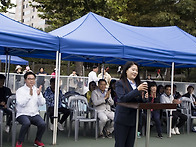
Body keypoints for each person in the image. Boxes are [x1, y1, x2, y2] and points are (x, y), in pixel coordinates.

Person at [114, 61, 148, 147]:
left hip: (134, 119)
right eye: (133, 69)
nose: (135, 72)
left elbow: (138, 101)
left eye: (136, 70)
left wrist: (144, 98)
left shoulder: (138, 84)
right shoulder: (120, 83)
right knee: (120, 144)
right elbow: (122, 98)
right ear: (126, 70)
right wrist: (137, 90)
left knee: (130, 144)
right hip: (123, 118)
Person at [15, 72, 46, 147]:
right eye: (29, 79)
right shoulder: (20, 90)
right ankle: (20, 141)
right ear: (25, 80)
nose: (31, 81)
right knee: (26, 123)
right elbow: (21, 104)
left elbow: (42, 103)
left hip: (34, 114)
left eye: (33, 79)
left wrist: (39, 95)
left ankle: (37, 140)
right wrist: (29, 95)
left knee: (42, 124)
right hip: (22, 114)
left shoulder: (37, 90)